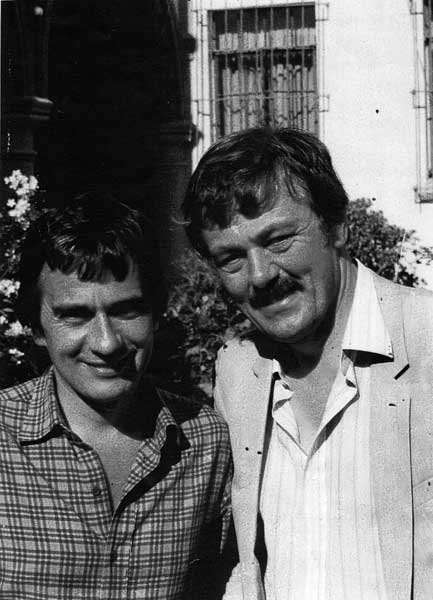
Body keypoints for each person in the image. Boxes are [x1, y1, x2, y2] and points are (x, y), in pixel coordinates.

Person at [182, 127, 433, 600]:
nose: (260, 276)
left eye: (278, 240)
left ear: (337, 227)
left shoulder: (426, 340)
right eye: (231, 258)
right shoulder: (238, 371)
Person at [0, 194, 232, 599]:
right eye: (75, 315)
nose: (106, 343)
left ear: (157, 313)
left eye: (127, 310)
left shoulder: (206, 443)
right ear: (36, 327)